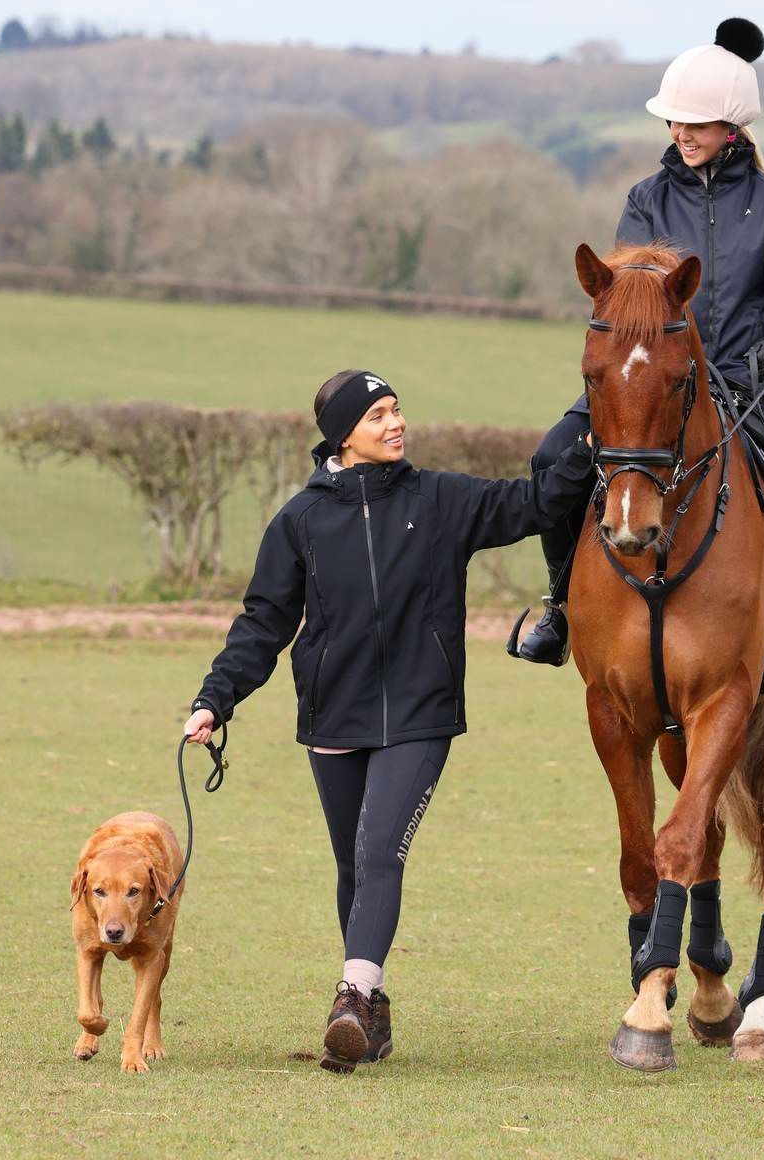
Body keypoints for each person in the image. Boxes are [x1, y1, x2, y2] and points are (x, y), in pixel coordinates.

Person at [183, 368, 592, 1073]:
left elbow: (536, 504)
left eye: (397, 410)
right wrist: (214, 700)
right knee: (354, 864)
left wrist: (587, 446)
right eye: (378, 416)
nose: (396, 423)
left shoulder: (441, 499)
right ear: (343, 436)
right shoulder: (300, 522)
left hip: (419, 711)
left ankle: (352, 995)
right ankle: (371, 1019)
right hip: (333, 715)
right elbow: (263, 623)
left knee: (379, 853)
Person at [515, 17, 764, 669]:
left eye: (696, 124)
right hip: (657, 374)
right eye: (675, 121)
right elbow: (626, 292)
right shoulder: (646, 199)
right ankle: (559, 604)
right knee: (550, 456)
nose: (681, 133)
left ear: (731, 128)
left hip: (755, 373)